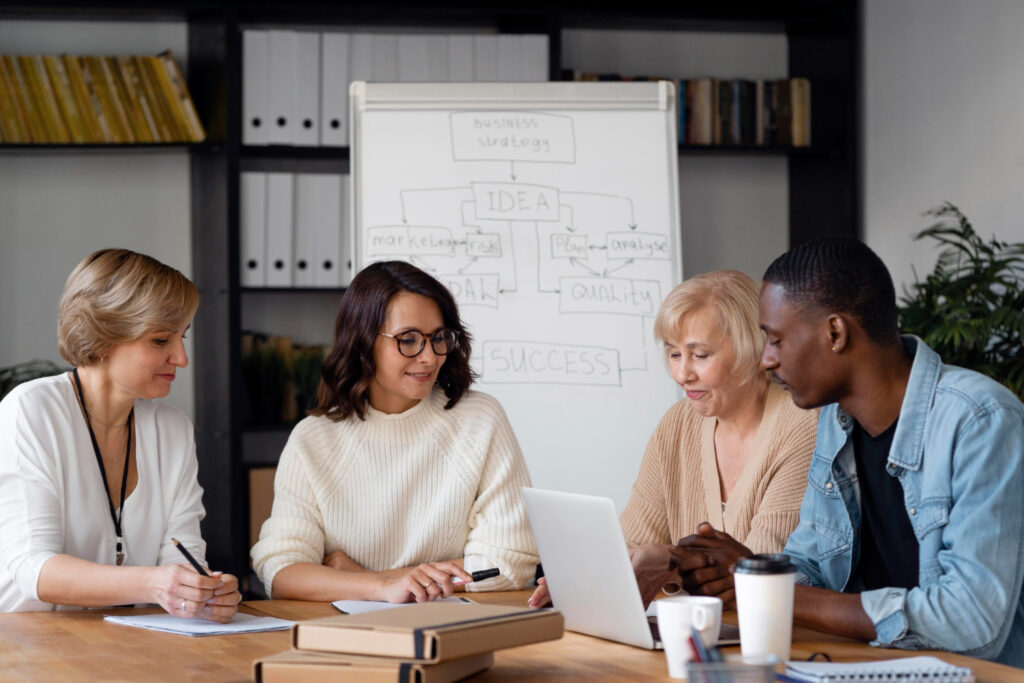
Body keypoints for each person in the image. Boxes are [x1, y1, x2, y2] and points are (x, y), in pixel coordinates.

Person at [677, 237, 1024, 667]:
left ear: (835, 333)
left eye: (776, 340)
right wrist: (745, 574)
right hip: (867, 668)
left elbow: (971, 622)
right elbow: (812, 563)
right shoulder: (835, 420)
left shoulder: (981, 420)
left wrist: (772, 590)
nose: (766, 360)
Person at [251, 260, 538, 603]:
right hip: (349, 635)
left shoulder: (480, 419)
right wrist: (382, 587)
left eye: (438, 338)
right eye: (409, 340)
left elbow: (509, 562)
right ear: (363, 341)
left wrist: (363, 577)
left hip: (454, 626)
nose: (430, 357)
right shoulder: (313, 439)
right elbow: (282, 570)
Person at [529, 270, 818, 608]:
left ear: (754, 350)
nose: (682, 374)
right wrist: (592, 574)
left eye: (701, 355)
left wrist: (666, 561)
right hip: (700, 633)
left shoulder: (802, 427)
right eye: (674, 354)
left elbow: (760, 571)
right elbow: (633, 542)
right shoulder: (678, 422)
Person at [0, 249, 241, 621]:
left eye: (182, 338)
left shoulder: (172, 429)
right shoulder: (33, 410)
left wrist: (201, 592)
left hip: (129, 645)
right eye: (161, 340)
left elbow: (182, 557)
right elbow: (35, 568)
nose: (181, 358)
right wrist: (156, 584)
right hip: (26, 648)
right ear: (102, 337)